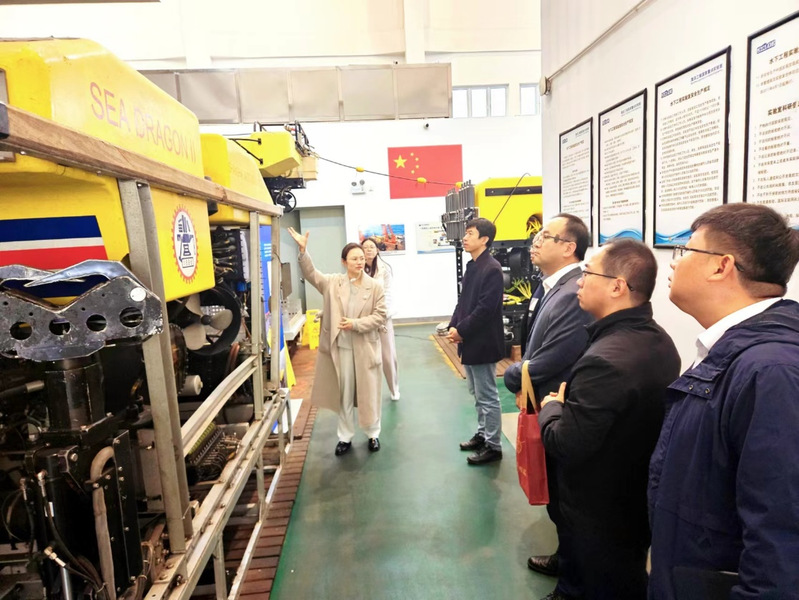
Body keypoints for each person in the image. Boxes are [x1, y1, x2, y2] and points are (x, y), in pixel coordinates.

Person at [648, 203, 799, 600]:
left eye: (686, 251)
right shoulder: (734, 352)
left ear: (721, 266)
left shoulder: (770, 373)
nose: (675, 263)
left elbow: (781, 539)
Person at [538, 239, 680, 600]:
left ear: (617, 287)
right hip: (633, 497)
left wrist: (552, 406)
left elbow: (565, 443)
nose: (580, 281)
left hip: (599, 509)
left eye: (588, 273)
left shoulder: (606, 359)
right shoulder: (660, 341)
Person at [502, 213, 593, 600]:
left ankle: (573, 583)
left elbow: (557, 354)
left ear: (569, 247)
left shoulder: (573, 292)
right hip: (546, 401)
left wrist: (515, 375)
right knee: (557, 496)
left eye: (545, 237)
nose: (535, 242)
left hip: (561, 404)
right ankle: (566, 558)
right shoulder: (551, 286)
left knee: (568, 500)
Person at [287, 227, 387, 455]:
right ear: (344, 262)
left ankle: (373, 434)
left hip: (365, 348)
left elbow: (380, 316)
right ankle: (345, 437)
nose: (359, 262)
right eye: (354, 259)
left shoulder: (375, 287)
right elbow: (311, 274)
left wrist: (355, 324)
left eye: (361, 258)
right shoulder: (332, 283)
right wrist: (303, 251)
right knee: (344, 394)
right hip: (341, 348)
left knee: (369, 393)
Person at [448, 217, 505, 465]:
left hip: (483, 342)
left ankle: (493, 446)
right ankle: (483, 434)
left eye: (470, 233)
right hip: (470, 340)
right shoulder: (473, 266)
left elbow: (485, 310)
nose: (465, 237)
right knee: (477, 393)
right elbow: (463, 302)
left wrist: (461, 330)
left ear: (484, 239)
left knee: (487, 395)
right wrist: (453, 325)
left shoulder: (492, 269)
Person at [362, 237, 400, 401]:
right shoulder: (357, 268)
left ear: (377, 250)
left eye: (372, 247)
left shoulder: (384, 269)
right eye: (365, 247)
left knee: (388, 355)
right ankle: (369, 392)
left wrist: (383, 315)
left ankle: (394, 388)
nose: (369, 250)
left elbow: (388, 293)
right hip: (364, 319)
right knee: (366, 356)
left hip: (383, 317)